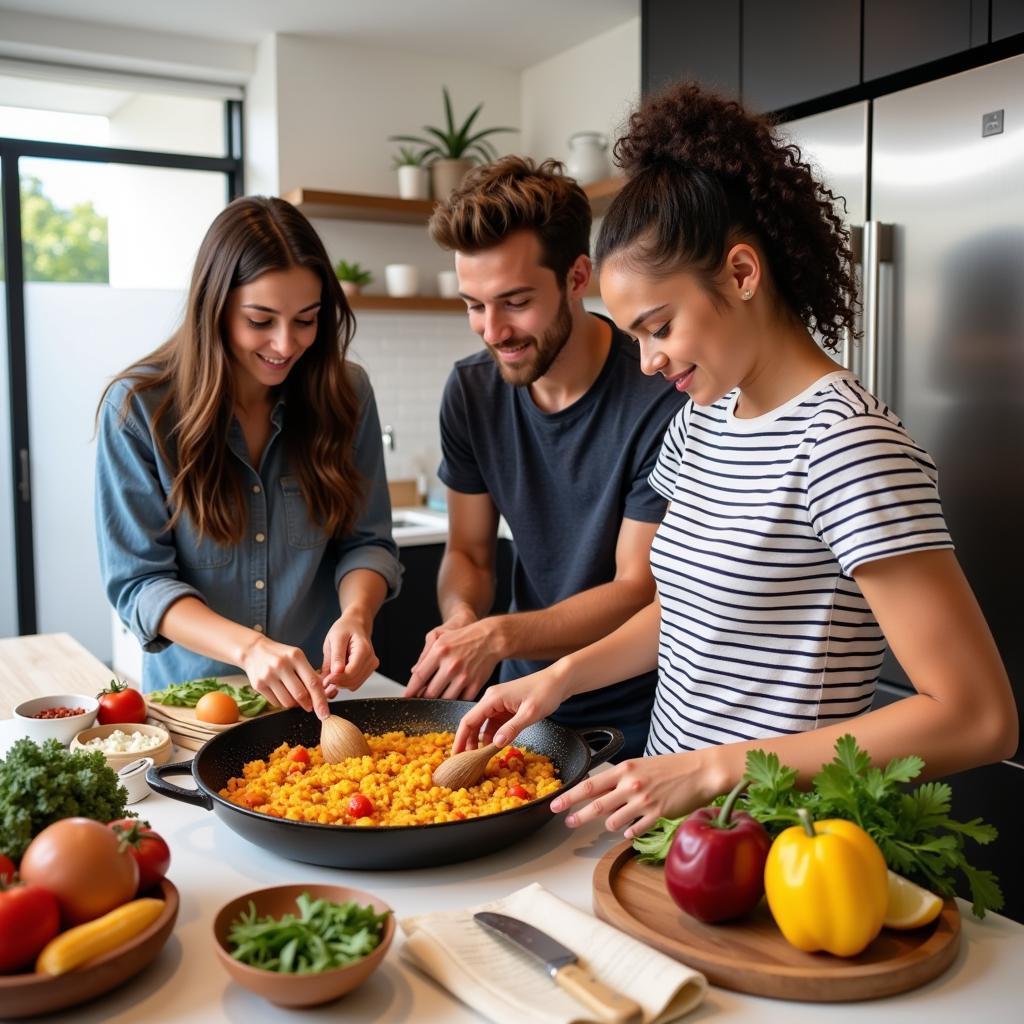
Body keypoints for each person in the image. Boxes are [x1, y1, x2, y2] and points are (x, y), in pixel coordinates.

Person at [453, 83, 1018, 835]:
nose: (647, 361)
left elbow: (978, 718)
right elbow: (688, 615)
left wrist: (714, 768)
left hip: (787, 848)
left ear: (742, 274)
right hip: (672, 835)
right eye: (635, 337)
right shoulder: (702, 423)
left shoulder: (847, 445)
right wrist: (553, 682)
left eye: (659, 327)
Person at [404, 156, 683, 759]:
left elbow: (637, 587)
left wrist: (497, 634)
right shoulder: (471, 392)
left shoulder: (657, 394)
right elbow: (470, 553)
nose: (492, 330)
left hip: (640, 717)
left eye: (515, 301)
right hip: (517, 709)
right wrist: (462, 621)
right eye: (474, 304)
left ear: (577, 276)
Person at [96, 196, 402, 720]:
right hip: (195, 711)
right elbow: (139, 583)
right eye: (261, 320)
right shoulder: (139, 409)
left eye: (306, 320)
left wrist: (357, 613)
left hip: (319, 707)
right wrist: (249, 649)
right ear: (213, 309)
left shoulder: (346, 393)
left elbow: (367, 542)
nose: (286, 344)